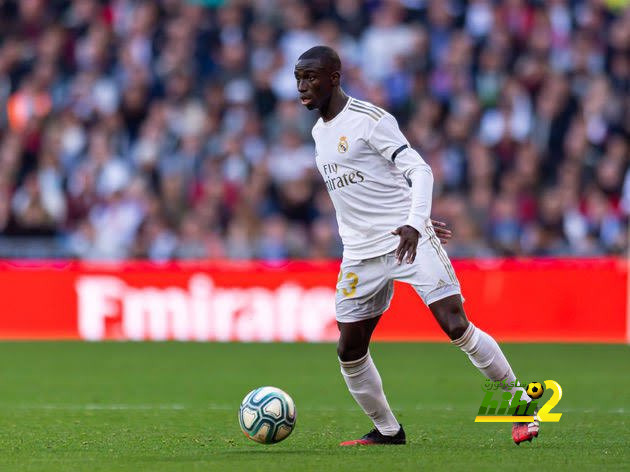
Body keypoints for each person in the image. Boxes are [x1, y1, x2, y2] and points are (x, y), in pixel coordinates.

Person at [294, 46, 538, 446]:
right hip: (359, 254)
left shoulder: (370, 120)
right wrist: (415, 217)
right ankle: (389, 431)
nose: (302, 86)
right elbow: (362, 193)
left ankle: (522, 407)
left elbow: (419, 169)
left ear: (334, 78)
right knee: (349, 349)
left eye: (311, 77)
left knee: (455, 324)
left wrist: (414, 222)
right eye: (298, 77)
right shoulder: (319, 133)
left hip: (406, 241)